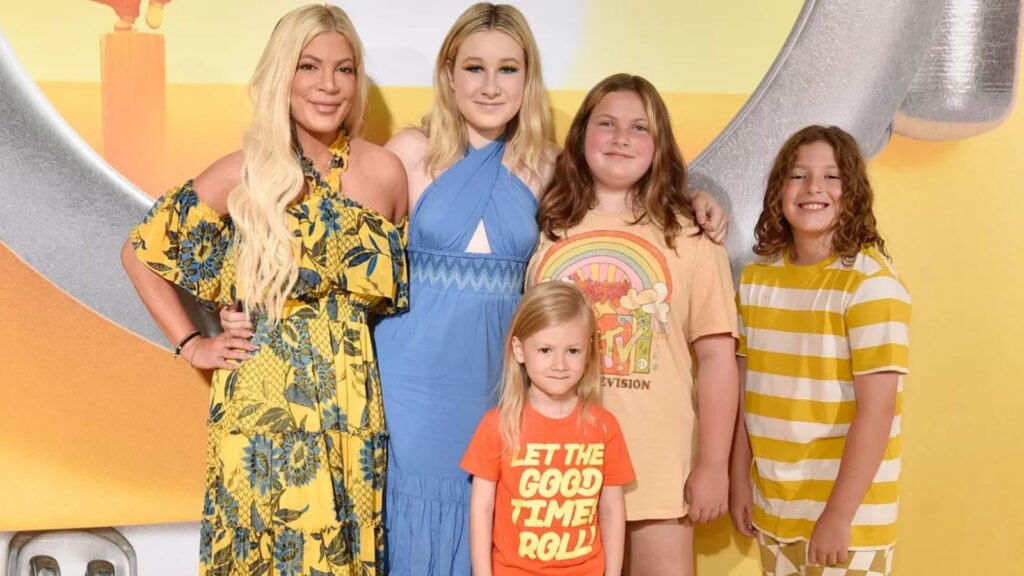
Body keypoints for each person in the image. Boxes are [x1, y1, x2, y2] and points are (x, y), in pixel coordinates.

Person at [121, 5, 407, 574]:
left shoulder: (386, 173)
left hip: (353, 411)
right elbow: (140, 254)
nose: (328, 85)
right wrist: (194, 345)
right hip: (263, 409)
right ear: (283, 75)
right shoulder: (244, 172)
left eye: (344, 69)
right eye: (309, 66)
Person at [527, 73, 738, 576]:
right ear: (581, 135)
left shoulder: (692, 235)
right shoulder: (547, 226)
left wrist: (713, 464)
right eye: (607, 124)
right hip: (560, 469)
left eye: (639, 127)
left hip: (658, 467)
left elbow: (717, 359)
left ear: (659, 144)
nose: (621, 137)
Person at [728, 125, 911, 576]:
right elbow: (745, 394)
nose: (814, 187)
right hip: (774, 509)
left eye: (832, 176)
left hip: (849, 522)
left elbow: (877, 412)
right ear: (778, 190)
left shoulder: (871, 285)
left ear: (854, 192)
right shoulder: (756, 280)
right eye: (798, 175)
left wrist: (838, 515)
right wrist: (738, 479)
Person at [461, 281, 635, 576]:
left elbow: (612, 508)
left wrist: (613, 572)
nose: (559, 364)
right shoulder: (498, 425)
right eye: (545, 350)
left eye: (572, 351)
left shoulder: (604, 427)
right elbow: (482, 508)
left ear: (588, 352)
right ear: (519, 350)